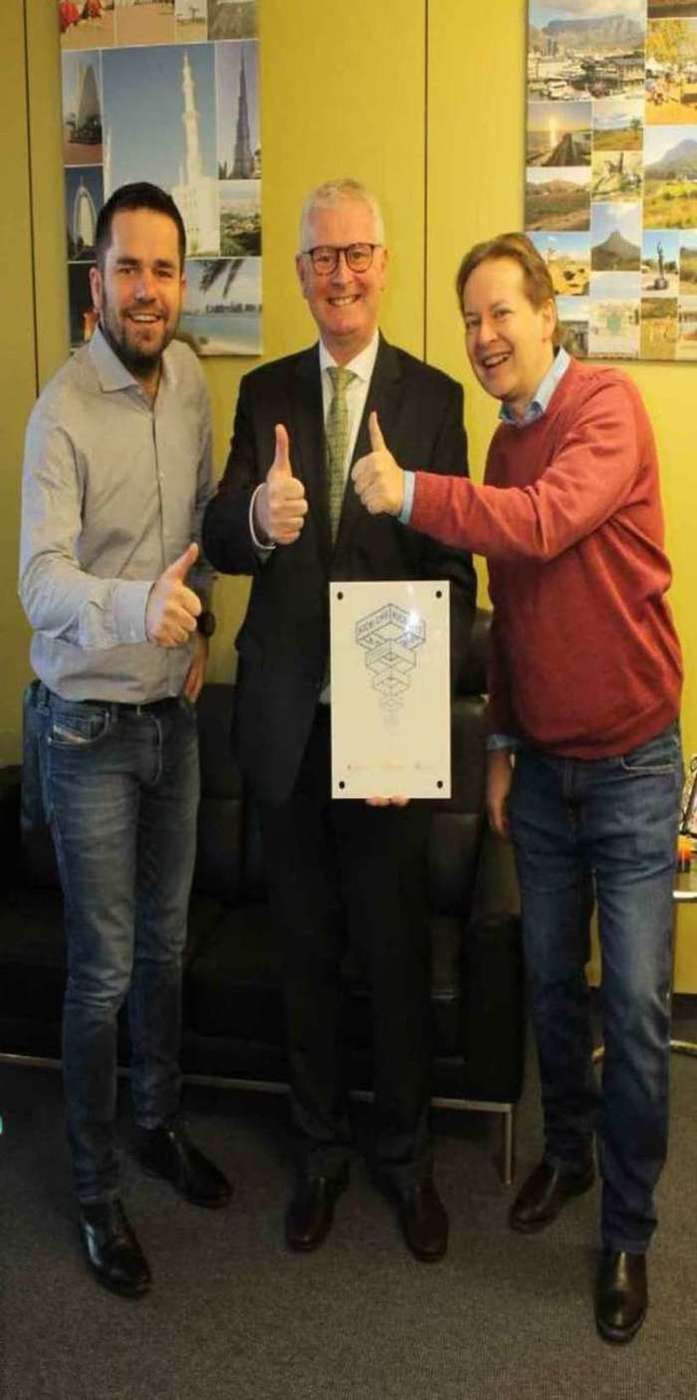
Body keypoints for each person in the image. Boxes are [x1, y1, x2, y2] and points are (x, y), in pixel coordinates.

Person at [351, 231, 683, 1342]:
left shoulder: (605, 409)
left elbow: (540, 525)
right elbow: (514, 614)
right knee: (549, 987)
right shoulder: (500, 443)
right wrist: (497, 743)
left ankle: (627, 1230)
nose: (484, 336)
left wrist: (409, 493)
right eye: (470, 319)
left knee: (632, 1007)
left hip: (632, 768)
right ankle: (570, 1155)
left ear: (548, 313)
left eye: (501, 312)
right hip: (539, 772)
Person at [202, 179, 476, 1261]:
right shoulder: (263, 391)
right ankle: (317, 1153)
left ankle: (403, 1159)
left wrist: (407, 722)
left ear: (384, 264)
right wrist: (257, 519)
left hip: (387, 736)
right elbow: (222, 534)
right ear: (300, 272)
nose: (341, 274)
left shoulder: (432, 400)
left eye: (357, 253)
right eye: (322, 257)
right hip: (286, 732)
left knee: (394, 955)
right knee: (305, 955)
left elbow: (453, 574)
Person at [19, 181, 231, 1300]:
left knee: (166, 949)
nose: (147, 290)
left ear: (180, 283)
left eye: (163, 270)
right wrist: (135, 607)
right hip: (89, 727)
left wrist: (203, 626)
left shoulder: (190, 379)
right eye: (127, 268)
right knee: (101, 973)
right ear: (94, 281)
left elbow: (199, 525)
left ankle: (157, 1123)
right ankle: (96, 1188)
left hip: (171, 723)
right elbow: (40, 581)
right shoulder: (61, 410)